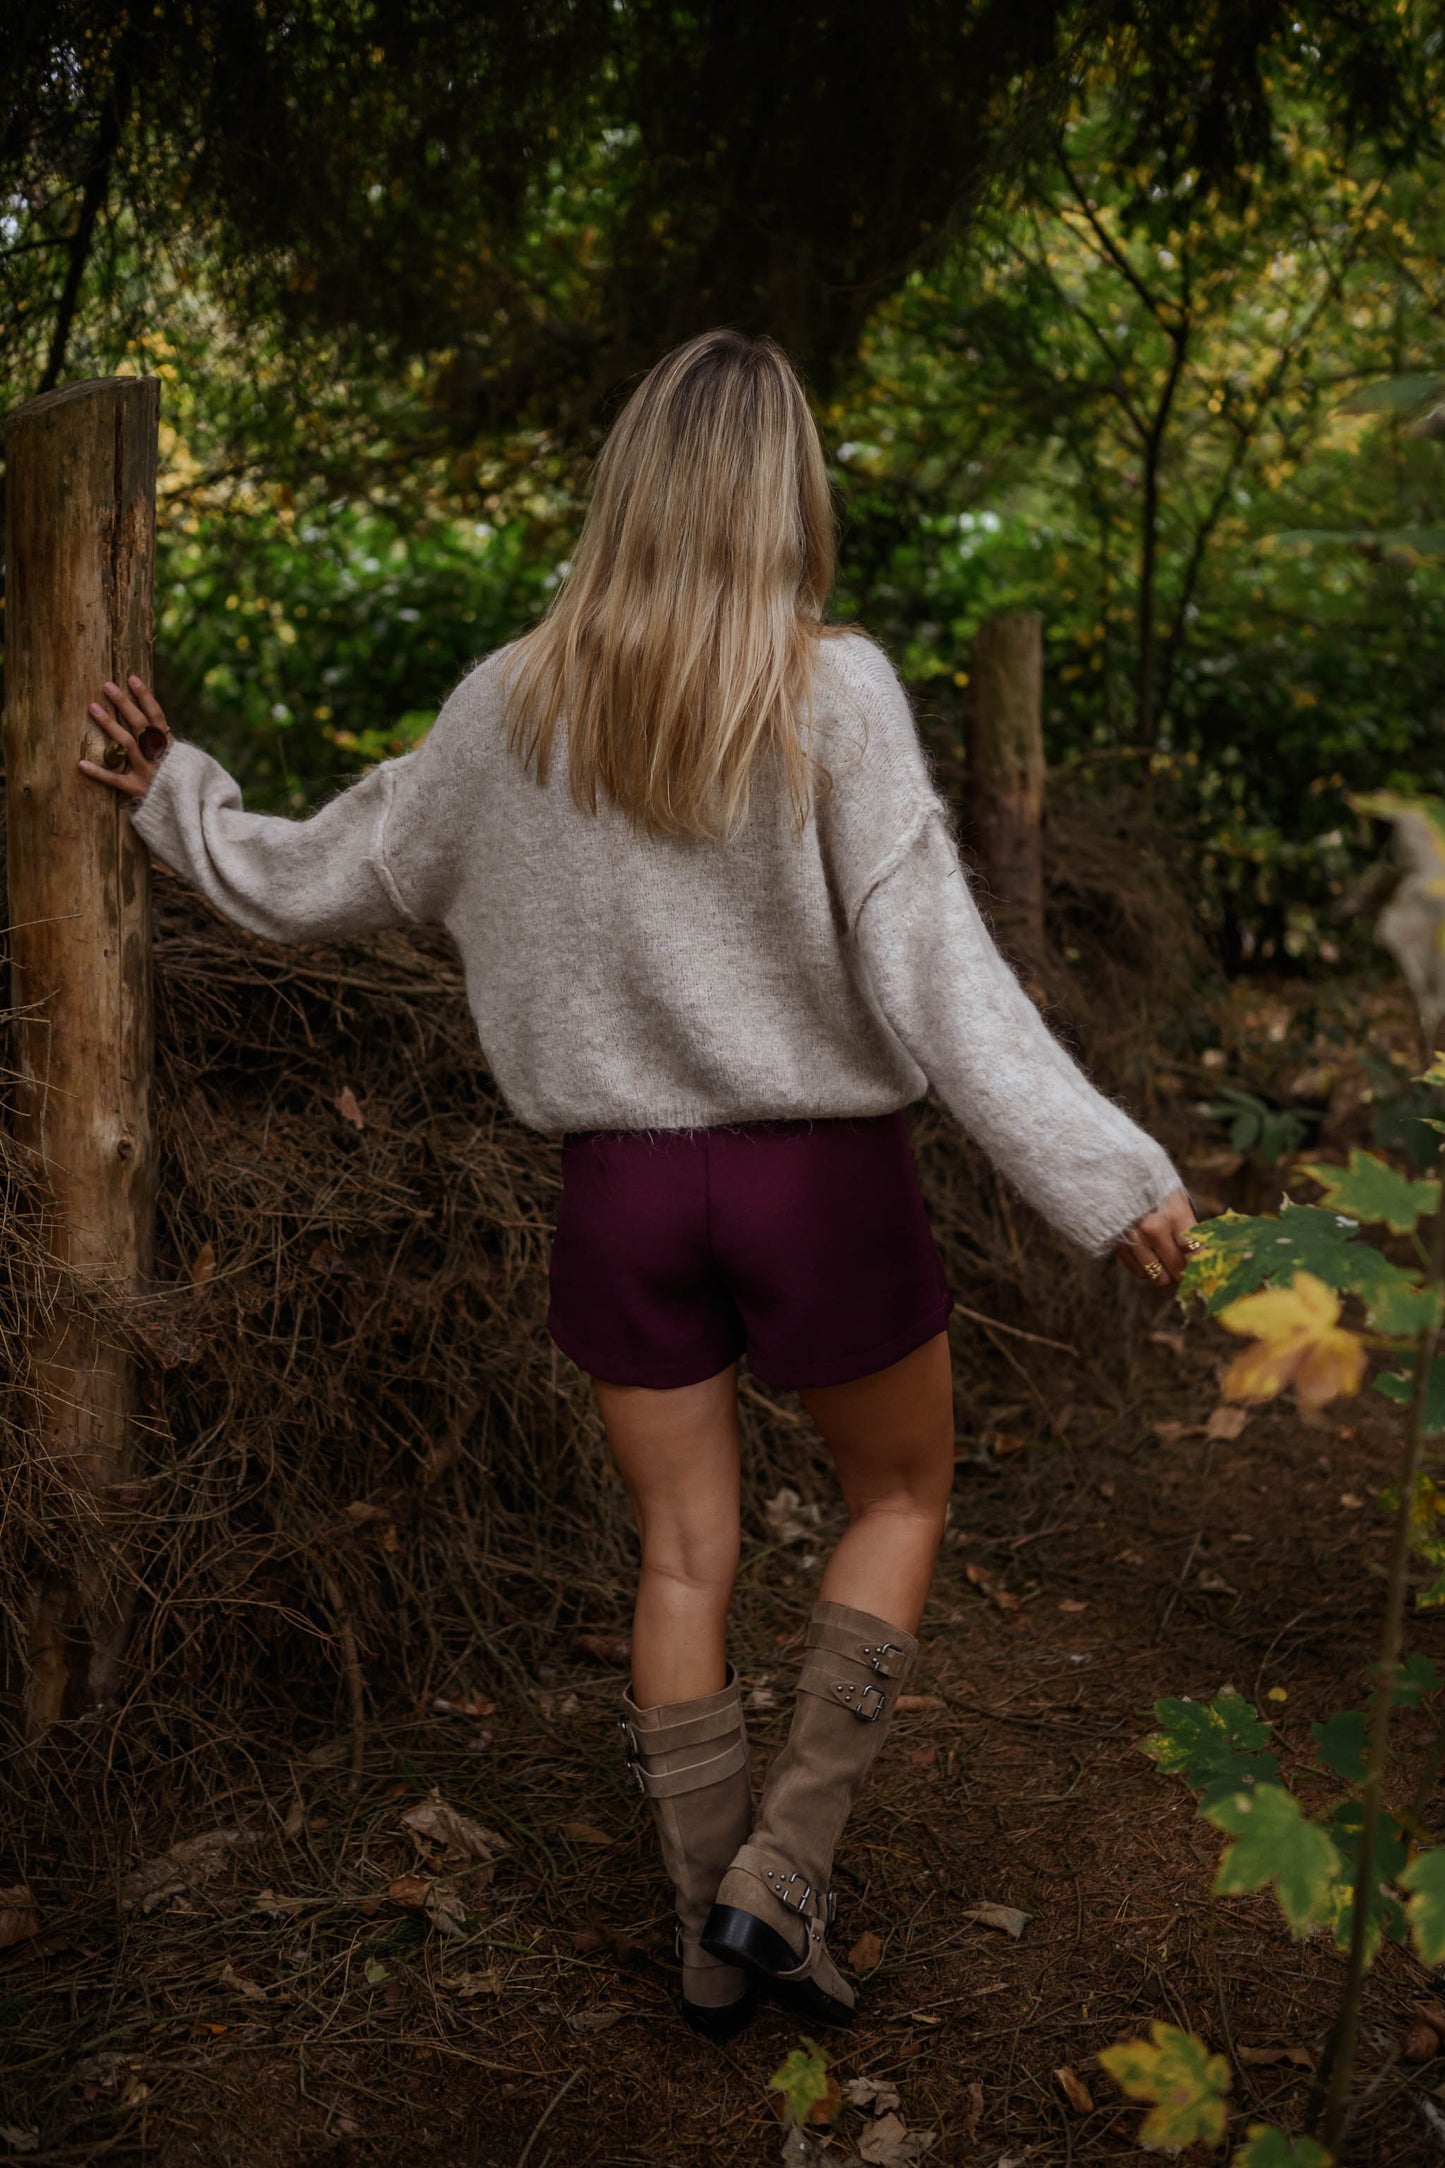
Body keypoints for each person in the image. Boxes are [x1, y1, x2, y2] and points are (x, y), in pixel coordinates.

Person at [81, 327, 1195, 2042]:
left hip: (617, 1197)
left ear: (625, 490)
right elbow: (937, 978)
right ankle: (784, 1872)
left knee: (683, 1556)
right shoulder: (835, 693)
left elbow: (318, 879)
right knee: (896, 1502)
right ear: (786, 497)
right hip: (819, 1189)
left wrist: (177, 796)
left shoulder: (505, 702)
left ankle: (707, 1929)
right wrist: (1108, 1179)